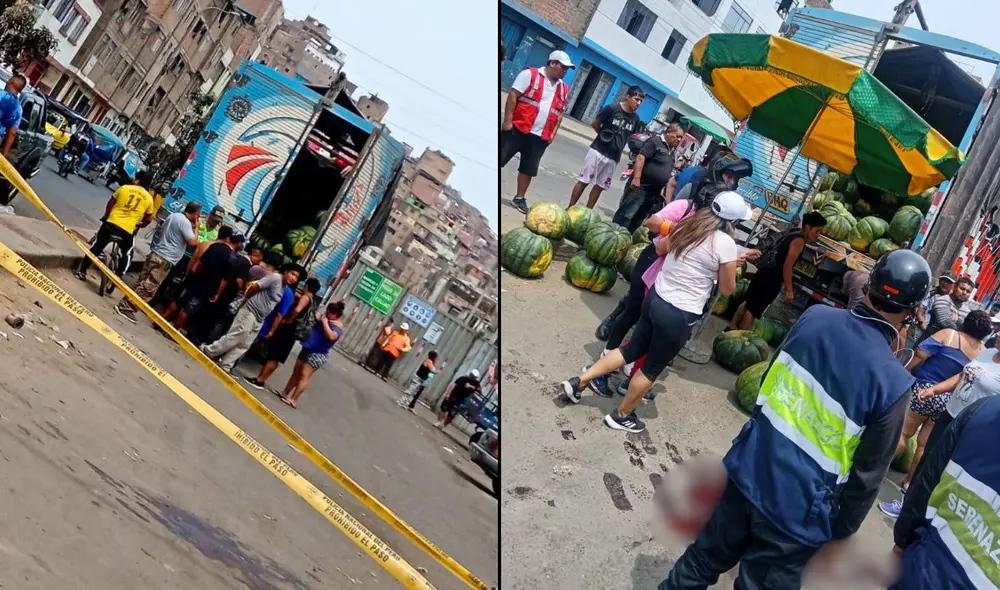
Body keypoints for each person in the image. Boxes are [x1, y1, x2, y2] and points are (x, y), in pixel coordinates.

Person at [658, 249, 931, 589]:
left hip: (747, 468)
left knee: (701, 561)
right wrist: (839, 533)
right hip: (798, 514)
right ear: (912, 311)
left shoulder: (815, 317)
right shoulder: (894, 383)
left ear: (869, 285)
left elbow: (769, 381)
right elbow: (867, 477)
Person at [561, 191, 754, 433]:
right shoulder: (725, 243)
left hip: (656, 298)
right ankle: (621, 415)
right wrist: (726, 265)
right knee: (651, 368)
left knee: (629, 349)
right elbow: (727, 289)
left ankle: (580, 381)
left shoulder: (687, 225)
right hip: (679, 314)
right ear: (734, 222)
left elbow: (661, 248)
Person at [591, 182, 735, 396]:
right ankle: (603, 364)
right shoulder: (685, 208)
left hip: (669, 275)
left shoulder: (713, 227)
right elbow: (652, 222)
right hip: (652, 263)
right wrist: (680, 229)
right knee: (632, 312)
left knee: (645, 323)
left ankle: (631, 374)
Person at [596, 155, 754, 339]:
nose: (732, 182)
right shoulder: (694, 189)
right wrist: (681, 230)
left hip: (683, 265)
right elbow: (657, 220)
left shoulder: (727, 205)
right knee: (636, 299)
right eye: (729, 176)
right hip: (660, 253)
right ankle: (613, 322)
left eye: (735, 180)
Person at [877, 310, 991, 519]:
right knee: (924, 447)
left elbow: (919, 354)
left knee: (901, 434)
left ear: (965, 322)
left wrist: (901, 371)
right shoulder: (984, 353)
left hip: (924, 390)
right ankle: (909, 484)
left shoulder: (949, 334)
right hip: (949, 401)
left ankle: (876, 471)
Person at [891, 395, 1000, 590]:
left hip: (921, 569)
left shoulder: (983, 409)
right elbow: (927, 483)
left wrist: (902, 542)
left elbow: (926, 483)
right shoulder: (982, 409)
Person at [200, 254, 303, 372]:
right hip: (251, 311)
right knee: (236, 336)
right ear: (286, 271)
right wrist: (247, 297)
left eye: (296, 277)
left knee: (244, 344)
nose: (293, 278)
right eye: (292, 274)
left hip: (260, 318)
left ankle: (226, 364)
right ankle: (209, 350)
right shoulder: (275, 278)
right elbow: (256, 286)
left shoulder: (283, 287)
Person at [729, 211, 828, 331]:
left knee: (748, 302)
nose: (818, 235)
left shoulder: (793, 233)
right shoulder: (799, 241)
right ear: (807, 227)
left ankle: (731, 327)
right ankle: (739, 337)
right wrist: (789, 290)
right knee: (754, 310)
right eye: (817, 231)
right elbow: (787, 266)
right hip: (772, 278)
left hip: (764, 271)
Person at [501, 50, 573, 214]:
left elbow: (559, 112)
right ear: (552, 63)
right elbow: (513, 95)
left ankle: (519, 198)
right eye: (563, 67)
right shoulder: (530, 75)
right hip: (518, 128)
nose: (565, 71)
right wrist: (507, 122)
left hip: (540, 135)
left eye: (567, 69)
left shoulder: (563, 88)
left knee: (528, 169)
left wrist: (552, 134)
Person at [114, 201, 201, 323]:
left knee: (142, 281)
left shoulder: (173, 216)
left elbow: (161, 231)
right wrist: (196, 227)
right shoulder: (185, 223)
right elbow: (193, 243)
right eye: (198, 214)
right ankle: (126, 307)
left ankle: (125, 303)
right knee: (149, 287)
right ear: (195, 213)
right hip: (165, 258)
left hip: (157, 252)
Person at [566, 86, 644, 210]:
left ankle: (588, 212)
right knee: (584, 181)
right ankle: (570, 208)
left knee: (599, 186)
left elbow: (631, 137)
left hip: (614, 157)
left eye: (641, 101)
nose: (638, 103)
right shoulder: (612, 109)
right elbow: (595, 123)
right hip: (598, 151)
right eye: (636, 99)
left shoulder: (636, 119)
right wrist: (603, 137)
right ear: (627, 97)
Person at [74, 169, 157, 280]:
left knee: (97, 246)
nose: (133, 180)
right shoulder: (149, 199)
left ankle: (82, 271)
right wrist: (141, 225)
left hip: (110, 225)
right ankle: (118, 278)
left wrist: (106, 216)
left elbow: (111, 203)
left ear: (138, 180)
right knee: (127, 254)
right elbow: (149, 218)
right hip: (126, 231)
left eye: (136, 178)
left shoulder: (124, 188)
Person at [245, 277, 321, 390]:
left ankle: (259, 380)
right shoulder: (312, 301)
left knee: (273, 355)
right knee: (277, 357)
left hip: (287, 330)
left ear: (307, 286)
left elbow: (297, 310)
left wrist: (288, 319)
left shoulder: (305, 298)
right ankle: (262, 379)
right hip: (292, 334)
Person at [161, 227, 242, 332]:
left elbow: (197, 262)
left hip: (193, 279)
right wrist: (217, 293)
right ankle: (172, 332)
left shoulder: (213, 245)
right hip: (207, 288)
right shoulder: (233, 258)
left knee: (178, 301)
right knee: (188, 310)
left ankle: (161, 322)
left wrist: (191, 273)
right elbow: (224, 280)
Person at [612, 123, 686, 233]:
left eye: (681, 137)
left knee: (638, 220)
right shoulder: (655, 141)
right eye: (677, 136)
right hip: (640, 187)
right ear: (669, 132)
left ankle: (624, 242)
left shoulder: (673, 151)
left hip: (653, 194)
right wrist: (636, 179)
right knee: (625, 216)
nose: (679, 139)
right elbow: (641, 158)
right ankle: (613, 235)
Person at [153, 205, 226, 309]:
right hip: (184, 255)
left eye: (217, 221)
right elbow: (188, 237)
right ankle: (154, 300)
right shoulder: (198, 222)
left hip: (197, 261)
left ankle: (169, 307)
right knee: (168, 278)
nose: (214, 223)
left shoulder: (217, 232)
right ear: (210, 215)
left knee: (184, 285)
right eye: (213, 219)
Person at [188, 246, 263, 346]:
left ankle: (193, 334)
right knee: (213, 317)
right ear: (254, 256)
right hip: (227, 293)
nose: (258, 263)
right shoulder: (245, 264)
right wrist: (245, 289)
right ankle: (199, 338)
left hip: (221, 290)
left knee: (207, 313)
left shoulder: (238, 258)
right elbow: (239, 281)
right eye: (259, 260)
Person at [277, 301, 345, 409]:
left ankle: (294, 399)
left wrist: (325, 322)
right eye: (327, 311)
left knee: (304, 375)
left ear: (336, 315)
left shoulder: (337, 326)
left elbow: (332, 336)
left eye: (330, 313)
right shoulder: (325, 317)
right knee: (297, 371)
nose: (327, 313)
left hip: (318, 353)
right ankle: (285, 392)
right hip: (308, 347)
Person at [922, 276, 975, 342]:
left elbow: (968, 330)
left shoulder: (967, 312)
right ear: (955, 287)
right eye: (962, 289)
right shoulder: (942, 300)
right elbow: (944, 322)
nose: (964, 293)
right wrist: (962, 332)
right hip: (928, 342)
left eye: (968, 291)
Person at [0, 73, 25, 157]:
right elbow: (12, 133)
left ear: (10, 81)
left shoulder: (1, 94)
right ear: (20, 90)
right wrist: (4, 153)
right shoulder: (19, 109)